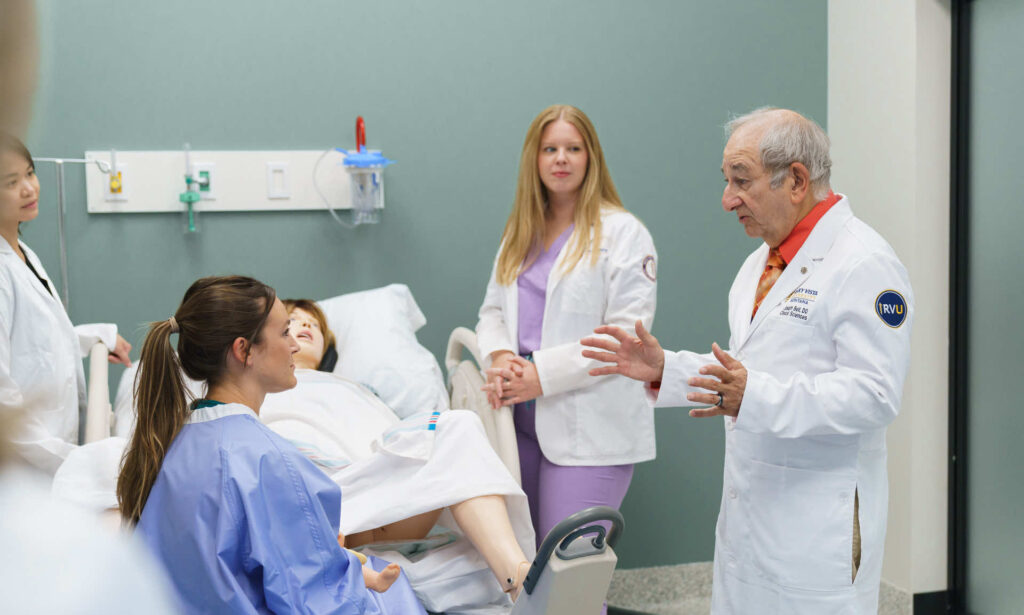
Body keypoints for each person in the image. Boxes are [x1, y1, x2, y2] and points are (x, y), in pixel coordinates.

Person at [581, 107, 914, 614]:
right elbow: (751, 370)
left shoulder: (865, 263)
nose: (726, 199)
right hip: (752, 520)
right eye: (726, 180)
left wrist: (753, 396)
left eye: (741, 180)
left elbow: (875, 394)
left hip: (816, 528)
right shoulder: (759, 262)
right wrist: (665, 370)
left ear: (797, 180)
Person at [116, 275, 426, 614]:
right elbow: (317, 602)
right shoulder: (268, 461)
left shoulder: (167, 446)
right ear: (243, 350)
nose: (294, 344)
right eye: (284, 332)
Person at [476, 104, 658, 551]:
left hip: (588, 429)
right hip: (519, 426)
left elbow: (626, 337)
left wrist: (541, 374)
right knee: (526, 571)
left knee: (570, 578)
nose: (561, 158)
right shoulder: (521, 232)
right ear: (534, 160)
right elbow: (492, 312)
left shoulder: (624, 234)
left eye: (573, 148)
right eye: (550, 149)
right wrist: (500, 356)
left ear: (590, 157)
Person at [274, 299, 534, 609]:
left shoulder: (359, 389)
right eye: (293, 320)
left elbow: (392, 444)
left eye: (313, 324)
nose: (304, 326)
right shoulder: (259, 390)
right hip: (316, 501)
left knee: (457, 424)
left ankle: (520, 580)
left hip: (377, 497)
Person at [0, 132, 131, 476]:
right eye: (11, 182)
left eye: (29, 173)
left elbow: (31, 342)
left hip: (48, 455)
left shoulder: (20, 251)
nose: (29, 188)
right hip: (26, 464)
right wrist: (67, 458)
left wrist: (93, 338)